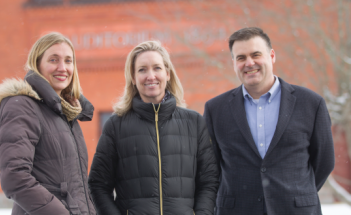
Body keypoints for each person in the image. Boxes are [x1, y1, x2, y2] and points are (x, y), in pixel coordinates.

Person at [204, 27, 335, 215]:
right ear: (233, 63)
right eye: (241, 58)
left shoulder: (311, 103)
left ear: (272, 55)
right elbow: (210, 168)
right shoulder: (215, 109)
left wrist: (296, 193)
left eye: (256, 55)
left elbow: (324, 161)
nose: (249, 63)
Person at [88, 41, 219, 215]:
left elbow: (209, 181)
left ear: (168, 74)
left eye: (157, 68)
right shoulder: (116, 125)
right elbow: (98, 185)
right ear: (133, 78)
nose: (150, 76)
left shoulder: (194, 122)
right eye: (142, 70)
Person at [0, 32, 96, 215]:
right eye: (53, 60)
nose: (62, 67)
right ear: (37, 64)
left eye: (68, 61)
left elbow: (75, 187)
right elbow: (15, 177)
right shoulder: (22, 106)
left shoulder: (66, 114)